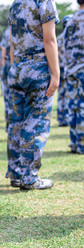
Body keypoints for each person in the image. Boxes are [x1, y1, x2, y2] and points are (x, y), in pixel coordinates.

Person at [6, 0, 60, 190]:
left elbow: (13, 42)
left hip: (17, 68)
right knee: (36, 123)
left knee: (16, 122)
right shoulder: (43, 2)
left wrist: (15, 68)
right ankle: (29, 177)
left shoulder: (15, 4)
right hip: (38, 67)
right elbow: (49, 40)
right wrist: (56, 73)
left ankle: (16, 174)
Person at [63, 0, 84, 155]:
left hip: (70, 70)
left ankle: (74, 142)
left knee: (73, 106)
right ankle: (82, 145)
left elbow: (63, 46)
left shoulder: (70, 21)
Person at [57, 15, 72, 127]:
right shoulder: (73, 37)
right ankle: (68, 117)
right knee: (69, 94)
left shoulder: (59, 38)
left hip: (60, 69)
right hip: (69, 69)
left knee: (61, 94)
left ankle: (61, 118)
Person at [0, 26, 11, 132]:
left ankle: (9, 125)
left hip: (7, 65)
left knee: (7, 96)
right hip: (15, 63)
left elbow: (3, 52)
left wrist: (4, 66)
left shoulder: (6, 31)